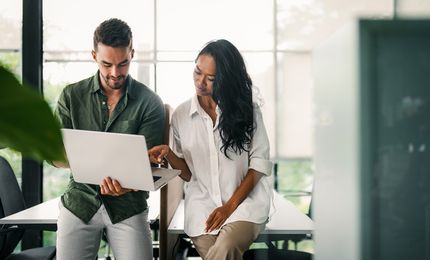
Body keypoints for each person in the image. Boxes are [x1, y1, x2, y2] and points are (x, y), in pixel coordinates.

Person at [148, 39, 273, 260]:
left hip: (245, 206)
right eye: (197, 71)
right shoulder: (180, 116)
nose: (200, 81)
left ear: (225, 80)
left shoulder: (248, 110)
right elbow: (188, 174)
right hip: (202, 210)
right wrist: (170, 154)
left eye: (211, 78)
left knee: (225, 250)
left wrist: (228, 208)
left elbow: (259, 165)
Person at [53, 18, 164, 260]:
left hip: (128, 205)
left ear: (132, 53)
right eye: (107, 64)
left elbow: (151, 166)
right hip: (80, 201)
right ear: (94, 56)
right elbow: (55, 157)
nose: (115, 73)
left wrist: (128, 182)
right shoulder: (71, 96)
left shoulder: (150, 103)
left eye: (123, 63)